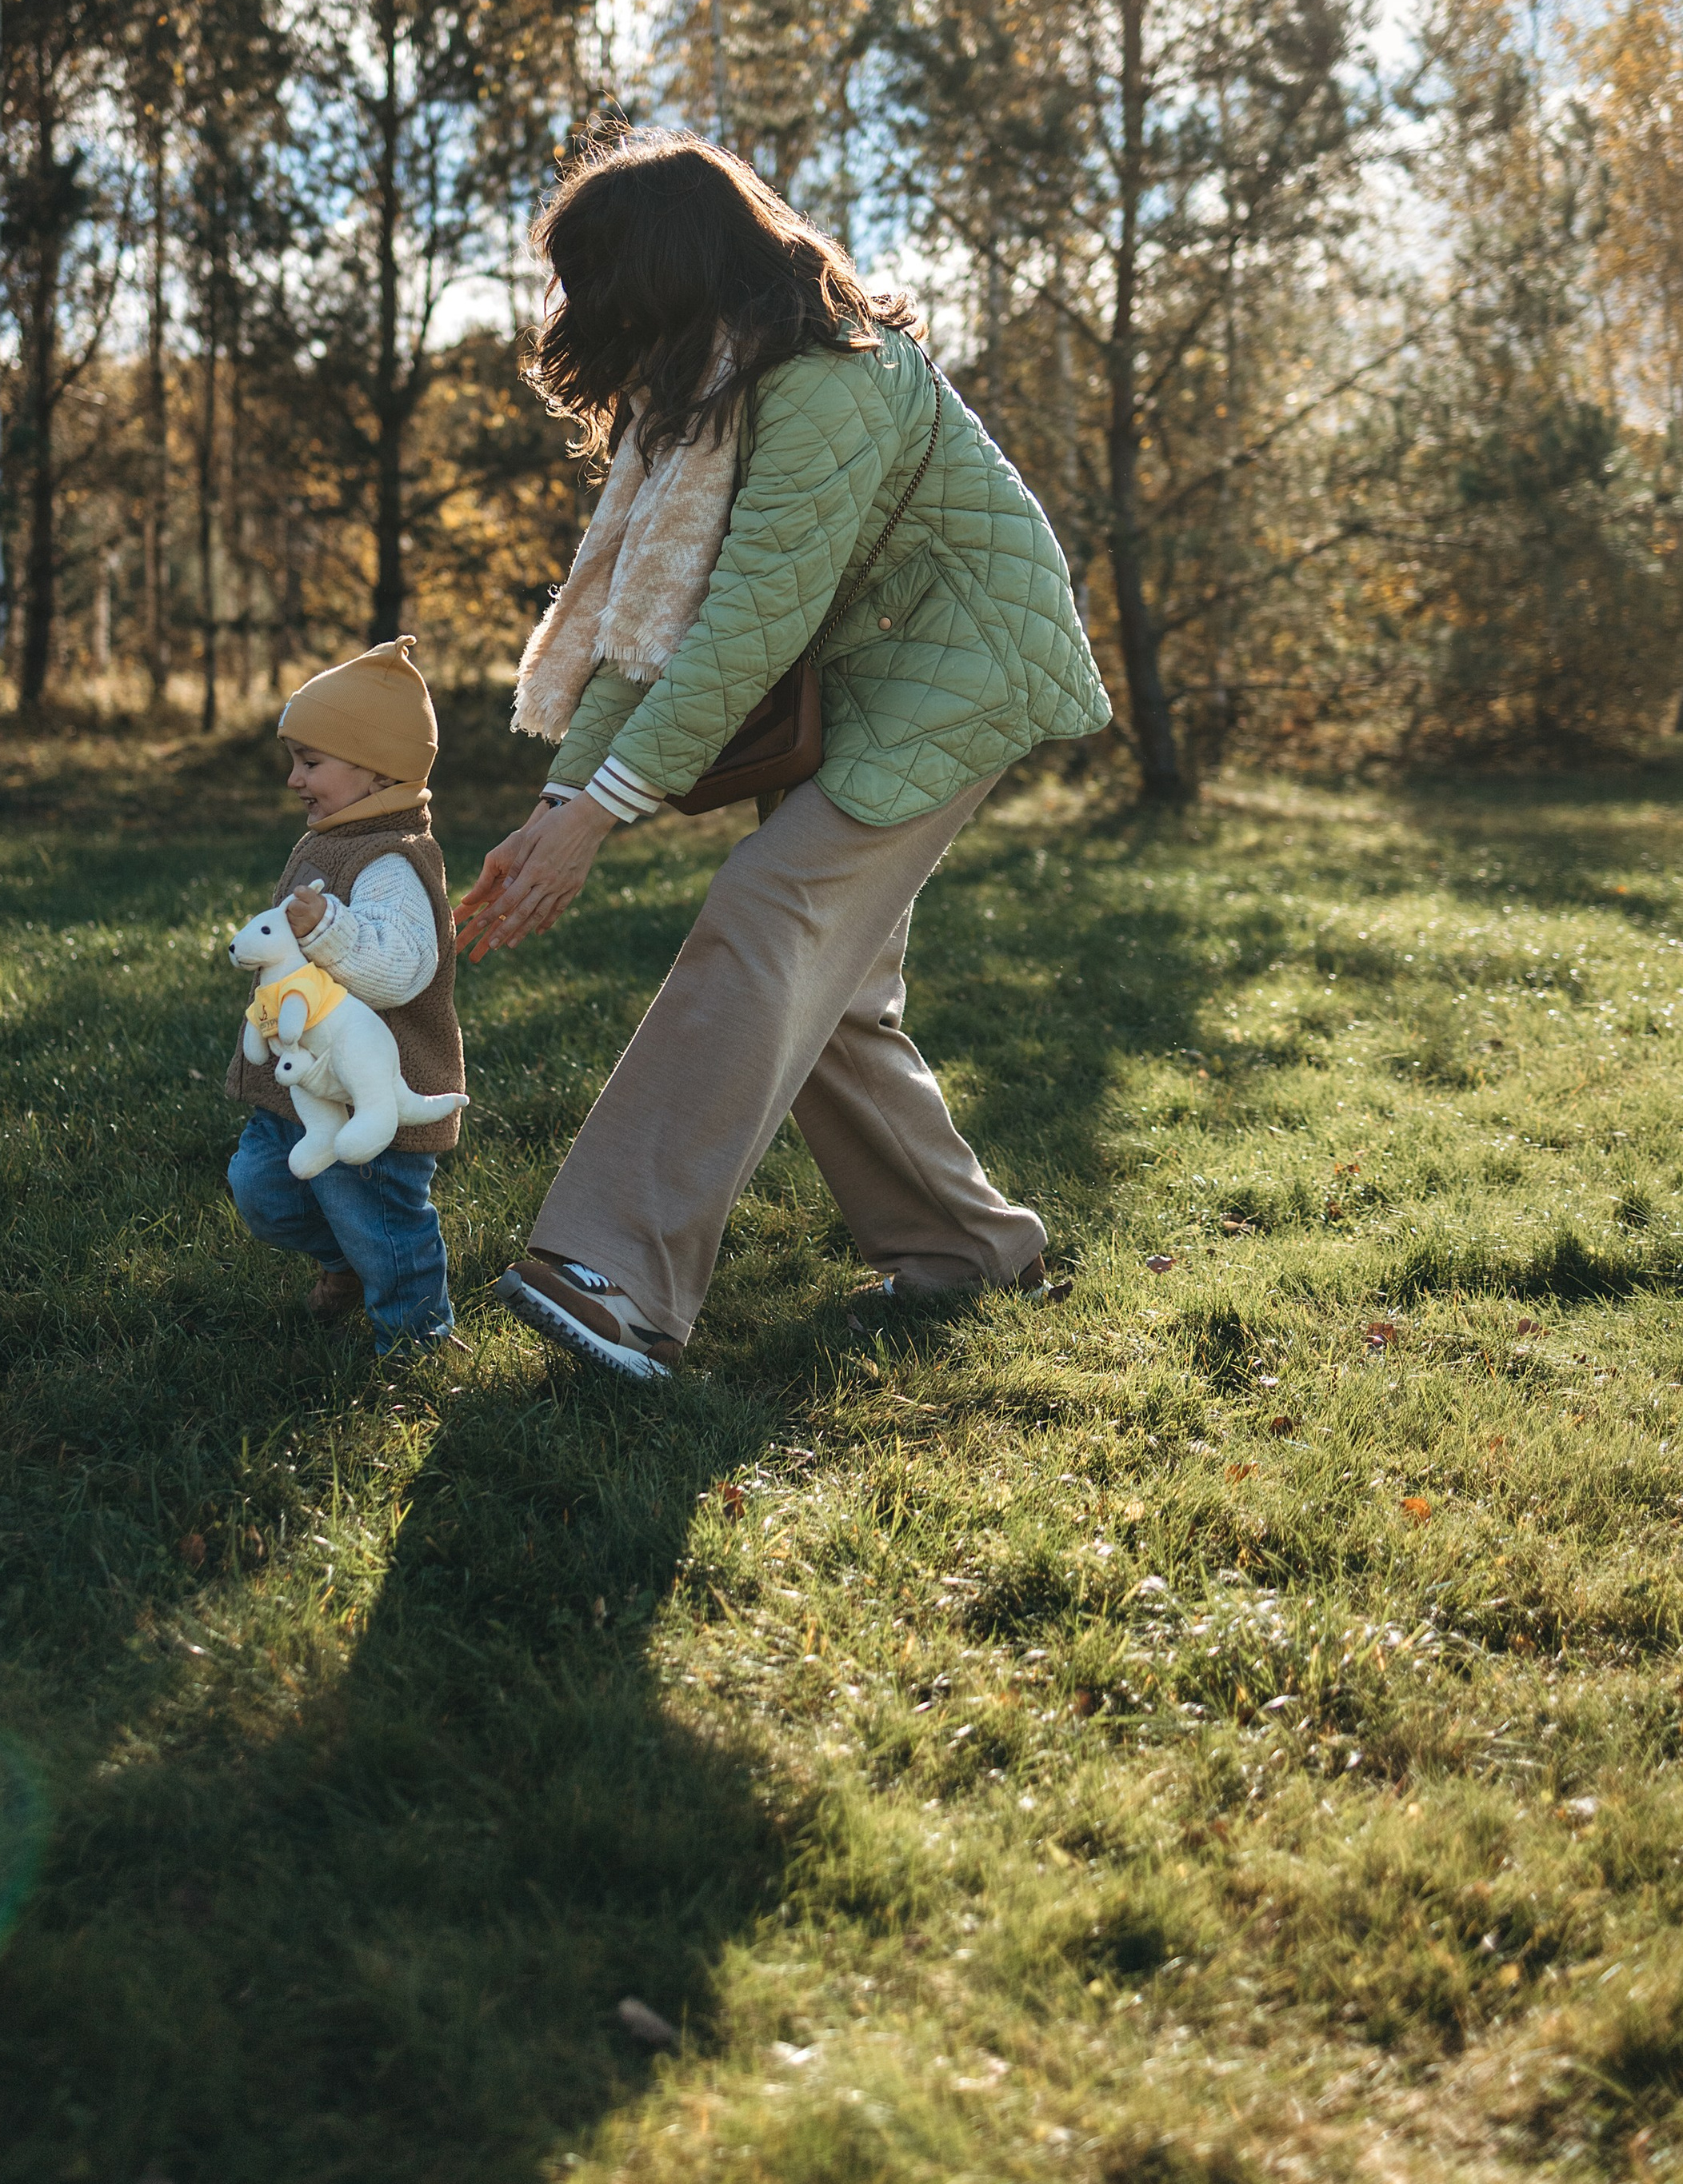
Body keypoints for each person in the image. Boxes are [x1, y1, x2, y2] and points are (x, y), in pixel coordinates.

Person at [456, 129, 1110, 1382]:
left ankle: (617, 1274)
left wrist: (599, 816)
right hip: (869, 673)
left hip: (959, 671)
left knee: (771, 917)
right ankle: (970, 1247)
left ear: (663, 266)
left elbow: (739, 633)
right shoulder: (696, 395)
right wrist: (558, 800)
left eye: (586, 274)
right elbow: (645, 630)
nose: (568, 308)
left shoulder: (825, 384)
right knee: (837, 995)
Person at [224, 637, 465, 1357]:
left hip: (371, 1089)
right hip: (302, 1082)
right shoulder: (332, 834)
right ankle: (344, 1265)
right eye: (294, 760)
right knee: (262, 1189)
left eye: (311, 762)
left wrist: (326, 926)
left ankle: (416, 1338)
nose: (295, 779)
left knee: (379, 1220)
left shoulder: (393, 858)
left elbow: (397, 971)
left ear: (378, 769)